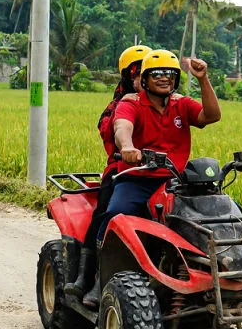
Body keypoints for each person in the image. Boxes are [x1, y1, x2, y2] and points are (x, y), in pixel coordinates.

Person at [83, 49, 221, 307]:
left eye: (170, 74)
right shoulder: (131, 102)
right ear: (144, 78)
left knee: (208, 217)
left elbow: (211, 116)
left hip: (173, 182)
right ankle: (99, 279)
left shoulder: (181, 103)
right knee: (116, 214)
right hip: (137, 178)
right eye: (156, 73)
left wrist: (203, 79)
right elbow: (122, 126)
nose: (164, 78)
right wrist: (126, 147)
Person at [64, 45, 150, 302]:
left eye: (148, 73)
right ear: (128, 76)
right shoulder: (119, 106)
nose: (142, 80)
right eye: (138, 74)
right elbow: (113, 130)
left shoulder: (166, 104)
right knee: (105, 212)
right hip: (121, 170)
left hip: (161, 173)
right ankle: (90, 277)